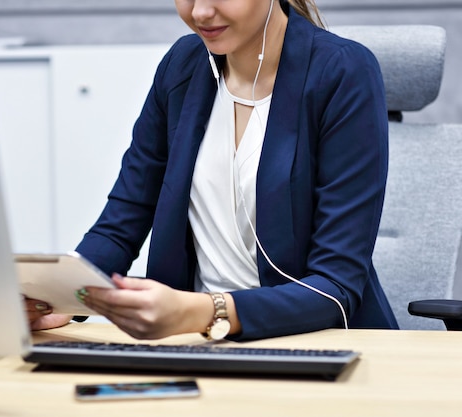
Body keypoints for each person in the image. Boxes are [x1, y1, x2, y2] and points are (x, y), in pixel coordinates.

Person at [26, 0, 399, 341]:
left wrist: (205, 311)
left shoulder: (343, 72)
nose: (201, 12)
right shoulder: (182, 68)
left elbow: (336, 286)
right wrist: (57, 298)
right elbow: (121, 226)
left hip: (318, 344)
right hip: (197, 343)